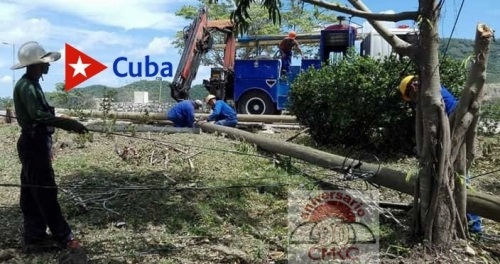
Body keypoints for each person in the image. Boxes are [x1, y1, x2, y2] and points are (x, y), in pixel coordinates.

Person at [11, 41, 89, 252]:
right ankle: (64, 238)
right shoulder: (27, 86)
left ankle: (34, 237)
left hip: (35, 142)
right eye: (45, 62)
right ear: (37, 64)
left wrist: (61, 120)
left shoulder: (32, 84)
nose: (48, 65)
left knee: (31, 191)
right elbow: (38, 115)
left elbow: (40, 113)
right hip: (33, 143)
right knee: (45, 190)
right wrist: (69, 123)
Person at [399, 75, 483, 234]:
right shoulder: (433, 89)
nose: (412, 100)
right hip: (453, 133)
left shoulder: (429, 94)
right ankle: (457, 218)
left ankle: (474, 225)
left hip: (454, 133)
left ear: (412, 88)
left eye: (410, 96)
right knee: (453, 177)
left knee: (461, 178)